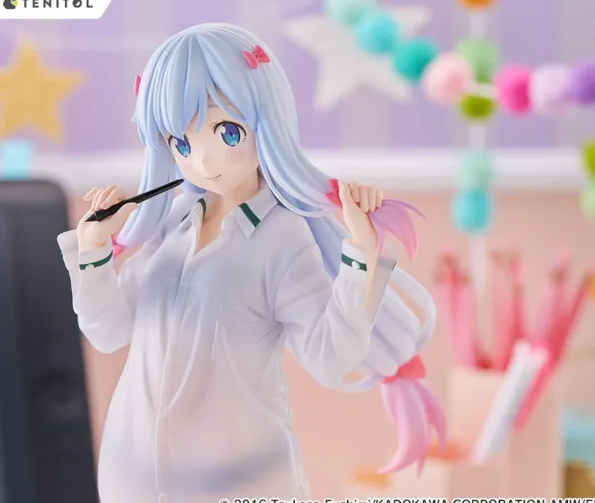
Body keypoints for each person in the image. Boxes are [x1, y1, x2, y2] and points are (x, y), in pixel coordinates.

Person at [57, 23, 443, 503]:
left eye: (227, 132)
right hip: (130, 476)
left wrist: (361, 255)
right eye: (181, 143)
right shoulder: (172, 221)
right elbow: (109, 331)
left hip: (241, 482)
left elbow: (328, 358)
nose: (203, 162)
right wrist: (93, 251)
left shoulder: (281, 237)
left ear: (266, 121)